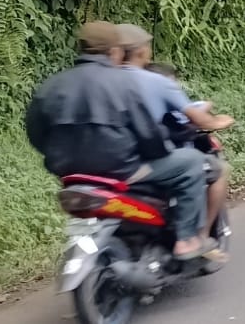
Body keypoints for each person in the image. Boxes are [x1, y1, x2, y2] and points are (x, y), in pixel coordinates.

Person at [25, 22, 217, 260]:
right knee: (192, 162)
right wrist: (159, 152)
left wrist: (56, 155)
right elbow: (147, 132)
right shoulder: (123, 82)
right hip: (121, 169)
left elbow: (35, 131)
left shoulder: (51, 85)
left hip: (70, 173)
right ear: (114, 51)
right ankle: (187, 239)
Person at [115, 25, 234, 243]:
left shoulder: (97, 81)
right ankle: (195, 237)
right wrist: (219, 121)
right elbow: (197, 118)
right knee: (206, 167)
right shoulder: (156, 82)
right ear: (142, 51)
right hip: (139, 162)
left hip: (99, 165)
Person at [145, 62, 232, 240]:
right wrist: (218, 121)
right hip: (167, 160)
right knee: (219, 170)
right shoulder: (165, 96)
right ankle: (200, 236)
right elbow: (202, 117)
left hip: (129, 161)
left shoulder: (134, 95)